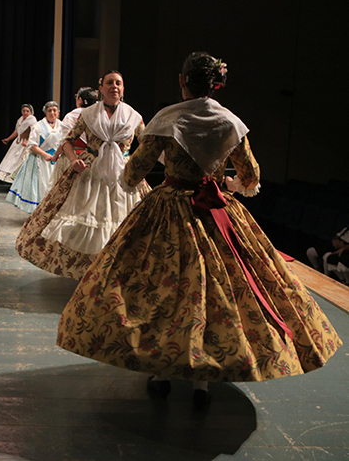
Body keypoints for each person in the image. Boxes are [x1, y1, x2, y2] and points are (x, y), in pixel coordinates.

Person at [56, 52, 342, 408]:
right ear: (217, 83)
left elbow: (134, 173)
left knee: (164, 287)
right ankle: (202, 382)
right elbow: (251, 176)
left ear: (182, 81)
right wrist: (226, 182)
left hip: (169, 209)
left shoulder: (166, 118)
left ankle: (162, 373)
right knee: (215, 291)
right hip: (217, 211)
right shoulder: (230, 121)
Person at [17, 74, 146, 279]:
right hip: (90, 171)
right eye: (109, 83)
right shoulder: (88, 114)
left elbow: (147, 144)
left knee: (121, 220)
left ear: (123, 88)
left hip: (122, 175)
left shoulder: (133, 116)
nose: (114, 86)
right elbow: (68, 139)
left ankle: (114, 270)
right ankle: (90, 270)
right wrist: (73, 159)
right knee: (87, 219)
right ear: (101, 89)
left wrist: (137, 166)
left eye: (118, 83)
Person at [5, 101, 64, 213]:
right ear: (45, 112)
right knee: (39, 187)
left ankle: (51, 212)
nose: (52, 113)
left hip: (56, 160)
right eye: (49, 110)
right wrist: (45, 154)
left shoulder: (62, 126)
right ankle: (38, 213)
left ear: (58, 112)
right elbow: (31, 145)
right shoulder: (38, 126)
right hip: (39, 160)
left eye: (54, 110)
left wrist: (57, 155)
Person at [49, 87, 98, 186]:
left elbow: (65, 141)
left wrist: (55, 155)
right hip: (93, 159)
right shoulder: (100, 115)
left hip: (73, 157)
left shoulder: (71, 116)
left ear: (80, 99)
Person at [0, 104, 37, 183]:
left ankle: (22, 181)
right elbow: (16, 131)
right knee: (12, 160)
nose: (25, 113)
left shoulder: (32, 119)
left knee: (21, 161)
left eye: (27, 111)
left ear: (31, 112)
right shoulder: (20, 119)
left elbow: (35, 132)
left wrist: (29, 141)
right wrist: (8, 139)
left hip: (26, 143)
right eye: (23, 111)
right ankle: (12, 180)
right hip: (18, 143)